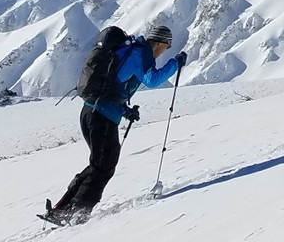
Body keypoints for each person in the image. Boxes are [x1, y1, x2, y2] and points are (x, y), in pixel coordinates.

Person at [45, 24, 185, 224]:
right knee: (104, 166)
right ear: (160, 42)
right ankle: (76, 214)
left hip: (91, 112)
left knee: (98, 164)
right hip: (101, 117)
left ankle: (62, 208)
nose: (165, 51)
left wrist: (125, 111)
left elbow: (114, 87)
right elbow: (153, 80)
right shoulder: (141, 53)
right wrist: (176, 63)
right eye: (167, 47)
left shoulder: (131, 51)